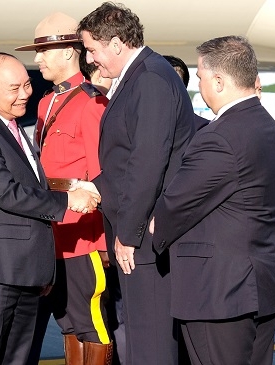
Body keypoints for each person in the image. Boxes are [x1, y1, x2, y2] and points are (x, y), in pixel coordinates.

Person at [150, 35, 275, 365]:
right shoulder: (267, 126)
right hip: (262, 283)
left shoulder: (219, 137)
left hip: (221, 293)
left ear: (218, 80)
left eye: (199, 77)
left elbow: (175, 205)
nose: (198, 86)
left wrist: (156, 228)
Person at [0, 52, 100, 365]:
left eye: (26, 85)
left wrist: (71, 185)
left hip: (28, 273)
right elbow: (8, 193)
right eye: (13, 89)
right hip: (0, 273)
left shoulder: (10, 126)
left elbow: (34, 182)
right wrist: (67, 201)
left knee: (20, 359)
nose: (25, 94)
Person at [77, 3, 195, 364]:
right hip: (140, 232)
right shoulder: (140, 76)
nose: (90, 58)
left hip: (143, 238)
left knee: (152, 343)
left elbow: (147, 162)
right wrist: (98, 187)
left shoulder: (150, 79)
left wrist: (128, 233)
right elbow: (128, 158)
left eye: (92, 49)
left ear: (115, 44)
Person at [15, 12, 112, 363]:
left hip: (83, 237)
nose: (37, 58)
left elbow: (102, 177)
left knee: (91, 322)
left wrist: (102, 240)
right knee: (67, 323)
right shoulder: (45, 103)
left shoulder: (92, 103)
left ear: (69, 52)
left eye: (44, 50)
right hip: (52, 233)